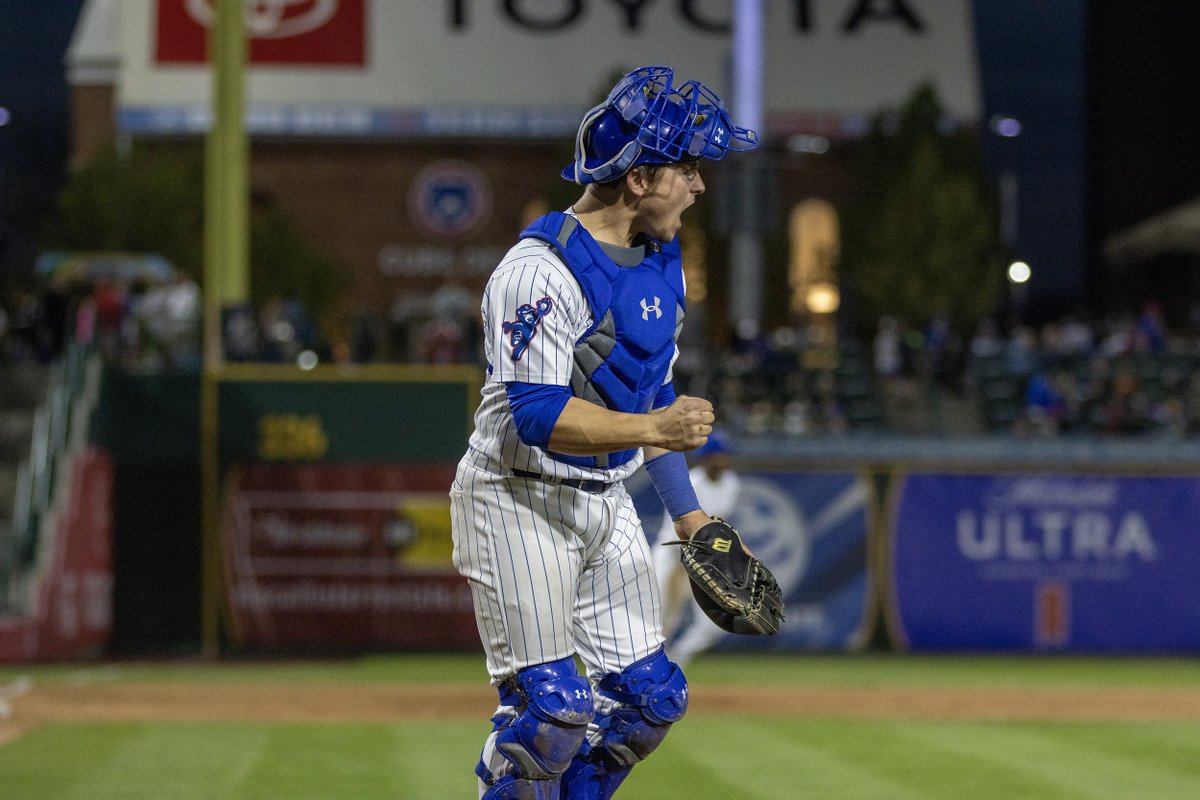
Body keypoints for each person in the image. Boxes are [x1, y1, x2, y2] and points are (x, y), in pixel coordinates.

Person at [449, 65, 758, 799]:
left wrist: (690, 519)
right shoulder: (538, 268)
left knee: (650, 706)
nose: (699, 185)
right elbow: (539, 415)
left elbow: (647, 392)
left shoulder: (661, 261)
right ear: (640, 178)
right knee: (552, 718)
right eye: (687, 168)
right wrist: (655, 423)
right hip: (515, 497)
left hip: (604, 496)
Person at [651, 430, 741, 667]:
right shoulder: (691, 482)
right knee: (661, 622)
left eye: (724, 456)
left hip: (702, 561)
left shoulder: (732, 483)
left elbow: (721, 526)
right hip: (672, 555)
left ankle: (676, 661)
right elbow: (682, 530)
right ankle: (649, 669)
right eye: (716, 456)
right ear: (706, 458)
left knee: (716, 622)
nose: (722, 461)